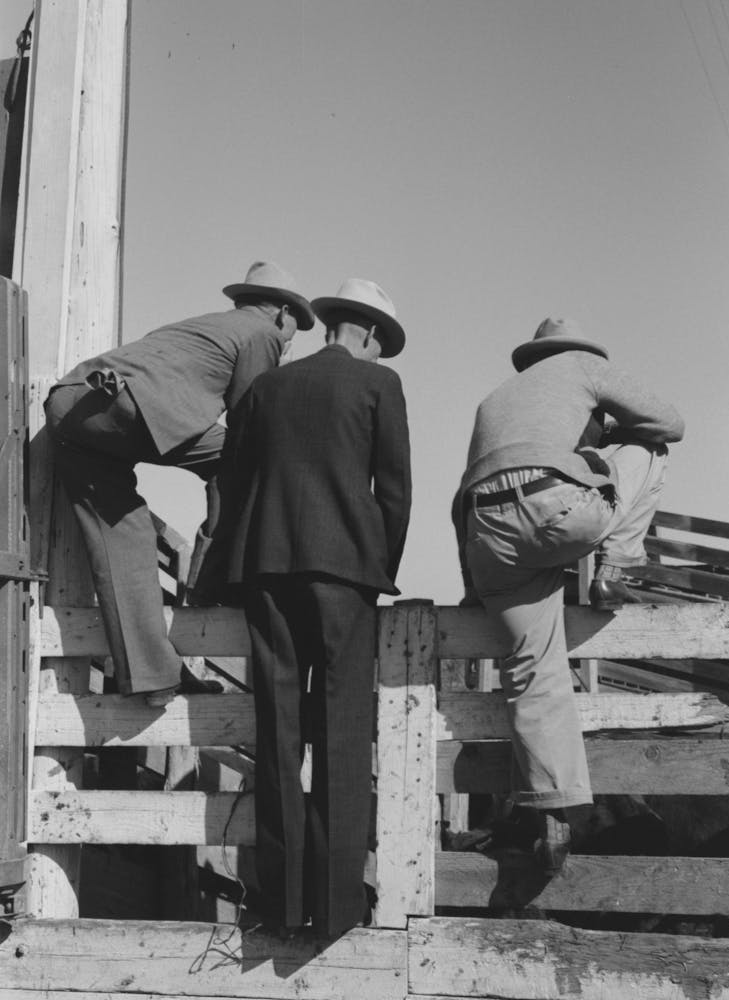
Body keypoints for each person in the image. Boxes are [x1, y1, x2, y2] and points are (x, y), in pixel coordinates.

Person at [452, 317, 685, 874]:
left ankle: (552, 822)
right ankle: (616, 567)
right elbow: (672, 423)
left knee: (534, 672)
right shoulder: (584, 367)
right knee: (652, 450)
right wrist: (605, 435)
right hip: (555, 509)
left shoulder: (494, 400)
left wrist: (470, 588)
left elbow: (474, 487)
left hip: (486, 538)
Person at [228, 278, 411, 940]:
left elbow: (234, 479)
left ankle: (279, 905)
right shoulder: (378, 388)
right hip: (344, 574)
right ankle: (335, 911)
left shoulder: (267, 386)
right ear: (365, 334)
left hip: (266, 567)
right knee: (341, 730)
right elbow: (394, 491)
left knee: (277, 734)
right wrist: (376, 565)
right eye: (380, 343)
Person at [44, 261, 314, 704]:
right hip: (128, 404)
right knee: (243, 460)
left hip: (70, 404)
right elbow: (251, 425)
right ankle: (213, 581)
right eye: (293, 329)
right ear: (283, 313)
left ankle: (153, 677)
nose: (289, 339)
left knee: (123, 533)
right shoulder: (262, 333)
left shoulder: (204, 326)